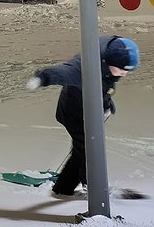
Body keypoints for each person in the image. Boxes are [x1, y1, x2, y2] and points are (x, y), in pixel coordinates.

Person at [27, 35, 140, 198]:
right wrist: (42, 78)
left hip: (89, 109)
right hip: (74, 113)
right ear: (109, 62)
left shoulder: (111, 55)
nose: (124, 74)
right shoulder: (86, 68)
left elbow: (105, 85)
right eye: (122, 69)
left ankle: (66, 187)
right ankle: (87, 187)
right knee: (88, 149)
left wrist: (106, 106)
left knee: (84, 149)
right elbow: (64, 71)